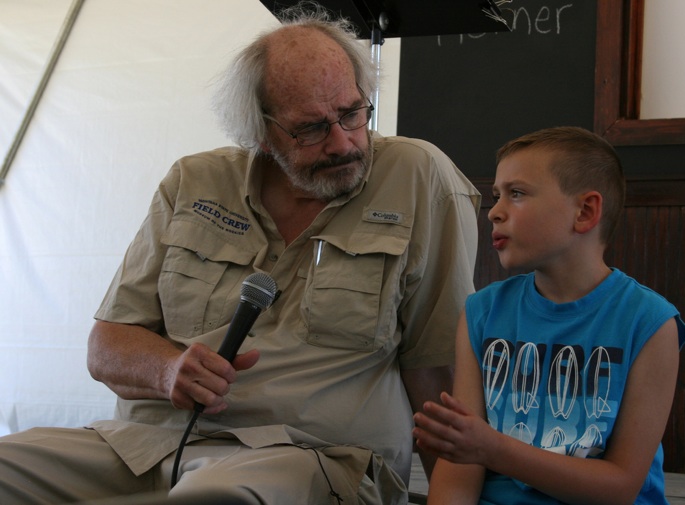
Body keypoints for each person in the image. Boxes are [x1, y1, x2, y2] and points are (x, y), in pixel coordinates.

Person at [0, 3, 481, 505]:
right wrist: (167, 371)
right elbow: (107, 346)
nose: (343, 143)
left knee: (215, 496)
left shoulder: (417, 175)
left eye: (352, 113)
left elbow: (438, 369)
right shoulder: (194, 181)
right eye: (311, 128)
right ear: (260, 133)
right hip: (141, 448)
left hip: (304, 457)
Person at [413, 126, 685, 505]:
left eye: (518, 194)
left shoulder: (651, 323)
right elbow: (459, 472)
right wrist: (477, 450)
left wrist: (493, 449)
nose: (494, 211)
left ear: (585, 211)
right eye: (496, 196)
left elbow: (620, 486)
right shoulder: (482, 312)